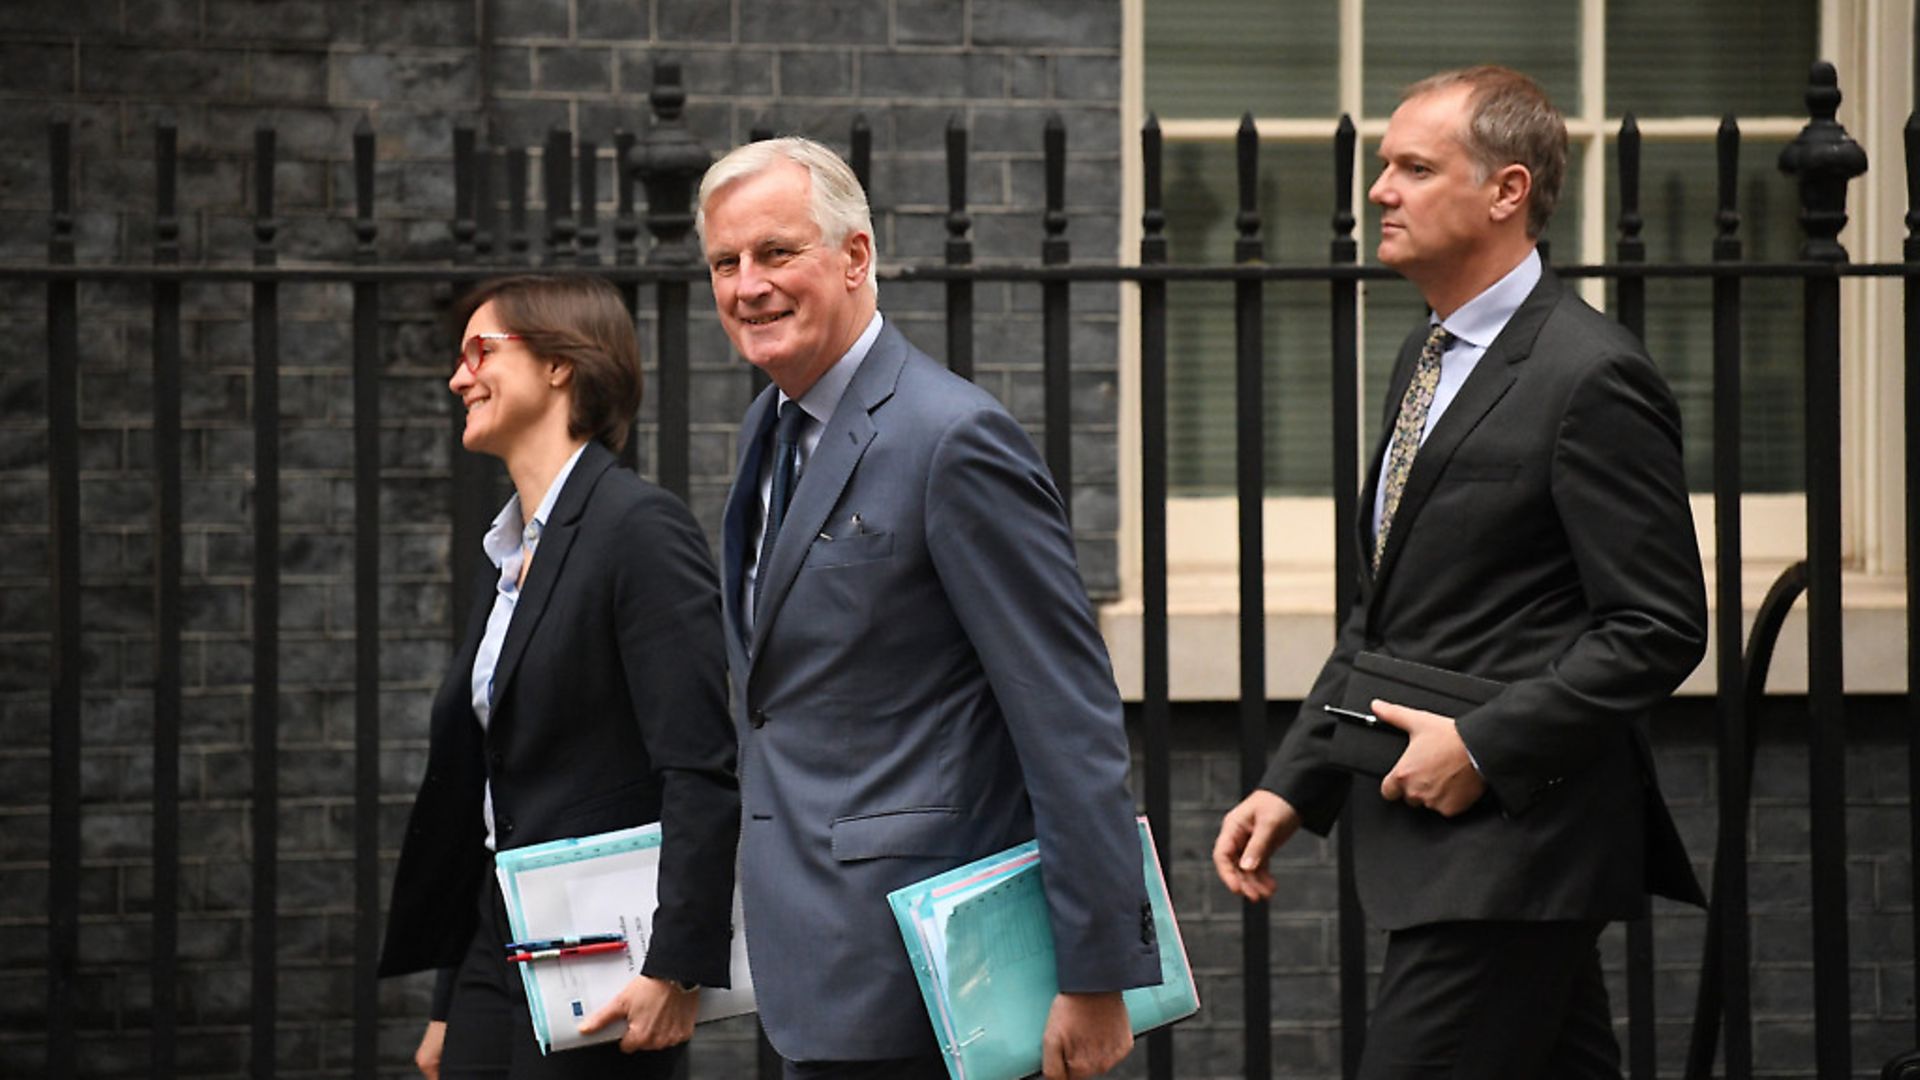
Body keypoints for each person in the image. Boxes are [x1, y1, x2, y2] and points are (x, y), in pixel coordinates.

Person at [1212, 67, 1709, 1078]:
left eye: (1413, 167)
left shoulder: (1590, 375)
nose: (1379, 190)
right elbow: (1389, 616)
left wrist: (1482, 746)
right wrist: (1299, 780)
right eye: (1383, 167)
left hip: (1518, 848)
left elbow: (1657, 627)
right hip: (1471, 859)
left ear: (1507, 190)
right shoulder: (1429, 358)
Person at [697, 136, 1159, 1080]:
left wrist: (1098, 969)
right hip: (812, 962)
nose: (748, 286)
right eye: (725, 263)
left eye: (777, 253)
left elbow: (1066, 714)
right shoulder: (766, 427)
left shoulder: (953, 439)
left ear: (856, 256)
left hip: (937, 980)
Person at [377, 275, 740, 1079]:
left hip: (605, 953)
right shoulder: (507, 554)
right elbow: (493, 781)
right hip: (491, 943)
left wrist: (675, 965)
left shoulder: (639, 530)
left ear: (559, 366)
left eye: (480, 351)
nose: (458, 378)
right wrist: (447, 1000)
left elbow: (699, 766)